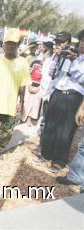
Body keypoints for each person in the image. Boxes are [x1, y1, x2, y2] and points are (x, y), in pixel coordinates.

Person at [0, 28, 31, 164]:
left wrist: (21, 102)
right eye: (7, 43)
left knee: (7, 133)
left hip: (11, 105)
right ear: (3, 44)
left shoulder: (22, 62)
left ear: (17, 45)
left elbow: (23, 85)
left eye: (13, 43)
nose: (10, 46)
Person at [41, 31, 84, 172]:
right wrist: (57, 57)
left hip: (73, 96)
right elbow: (51, 73)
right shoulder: (65, 56)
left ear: (69, 42)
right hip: (58, 93)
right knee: (51, 126)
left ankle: (59, 160)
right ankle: (46, 154)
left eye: (62, 42)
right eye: (57, 42)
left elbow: (81, 77)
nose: (59, 45)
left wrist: (72, 61)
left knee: (66, 130)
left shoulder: (75, 58)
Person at [21, 59, 43, 126]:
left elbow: (46, 78)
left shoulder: (47, 65)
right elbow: (27, 74)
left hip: (39, 87)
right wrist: (29, 86)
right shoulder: (35, 62)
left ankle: (29, 119)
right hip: (30, 84)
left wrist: (39, 88)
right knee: (26, 102)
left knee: (35, 104)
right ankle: (22, 117)